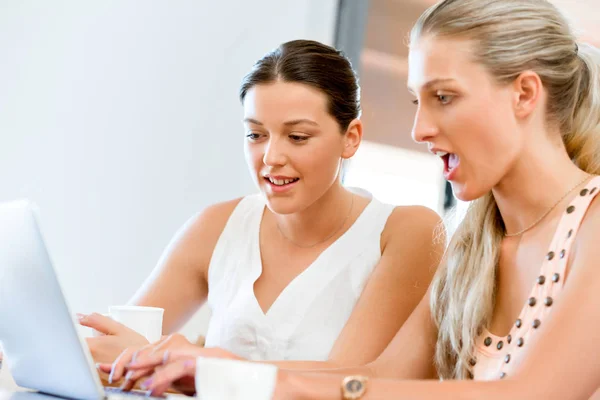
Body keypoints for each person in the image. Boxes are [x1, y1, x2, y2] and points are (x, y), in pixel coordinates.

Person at [118, 1, 600, 398]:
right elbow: (382, 376)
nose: (420, 130)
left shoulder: (592, 223)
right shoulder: (472, 248)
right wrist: (214, 368)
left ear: (524, 94)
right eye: (418, 101)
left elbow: (535, 392)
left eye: (444, 97)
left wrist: (258, 381)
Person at [81, 39, 443, 385]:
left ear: (351, 137)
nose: (271, 158)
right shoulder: (218, 226)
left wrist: (199, 365)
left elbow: (351, 378)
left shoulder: (405, 232)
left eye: (297, 137)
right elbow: (124, 345)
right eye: (256, 135)